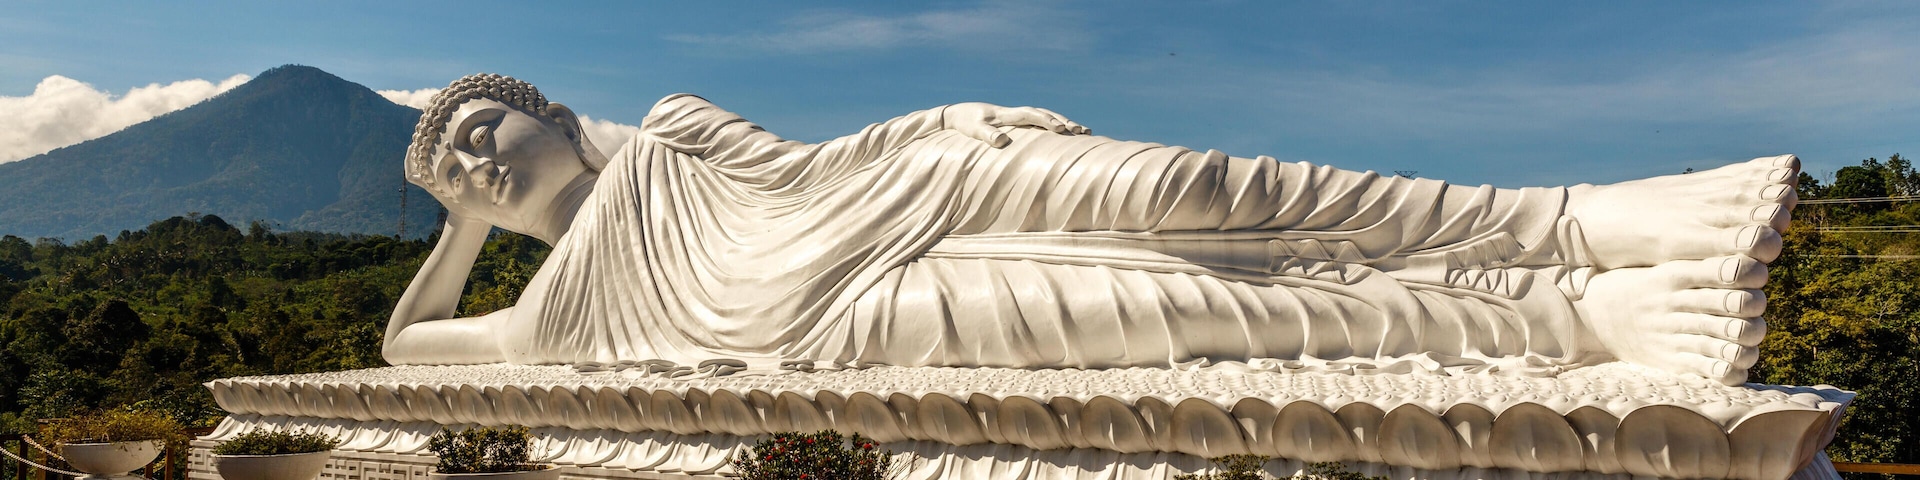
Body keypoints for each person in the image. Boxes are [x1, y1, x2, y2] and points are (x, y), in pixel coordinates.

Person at [384, 73, 1794, 385]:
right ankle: (1569, 320)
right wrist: (456, 231)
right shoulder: (552, 309)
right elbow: (407, 356)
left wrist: (950, 114)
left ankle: (1574, 219)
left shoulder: (676, 130)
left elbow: (807, 157)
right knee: (1213, 316)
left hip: (895, 188)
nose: (467, 161)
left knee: (1201, 196)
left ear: (550, 113)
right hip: (847, 324)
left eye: (473, 129)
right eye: (446, 169)